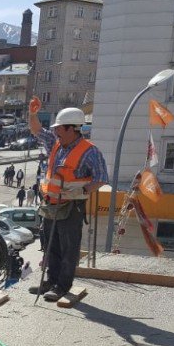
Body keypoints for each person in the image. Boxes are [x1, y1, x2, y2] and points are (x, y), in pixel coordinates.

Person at [28, 96, 108, 302]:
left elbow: (101, 178)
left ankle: (62, 285)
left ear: (72, 129)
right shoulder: (56, 144)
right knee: (49, 244)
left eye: (59, 129)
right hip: (51, 204)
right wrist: (32, 113)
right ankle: (51, 280)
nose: (55, 132)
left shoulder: (90, 152)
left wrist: (81, 192)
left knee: (68, 247)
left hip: (71, 207)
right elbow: (37, 130)